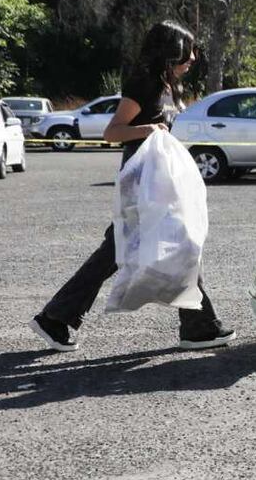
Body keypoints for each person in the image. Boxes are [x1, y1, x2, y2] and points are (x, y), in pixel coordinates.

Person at [28, 20, 235, 352]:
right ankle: (55, 318)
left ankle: (198, 326)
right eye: (187, 50)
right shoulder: (144, 84)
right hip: (141, 184)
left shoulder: (168, 87)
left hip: (159, 182)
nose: (193, 58)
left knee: (168, 244)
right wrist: (148, 130)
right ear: (169, 52)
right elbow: (113, 132)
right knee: (125, 249)